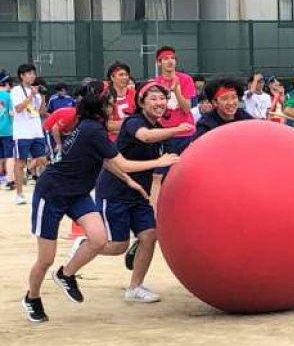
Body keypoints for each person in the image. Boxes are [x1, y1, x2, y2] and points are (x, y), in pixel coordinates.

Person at [21, 81, 179, 323]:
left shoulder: (92, 127)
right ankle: (32, 298)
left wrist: (129, 181)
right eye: (110, 103)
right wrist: (159, 162)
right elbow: (122, 162)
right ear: (101, 107)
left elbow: (107, 162)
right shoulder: (92, 130)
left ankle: (66, 274)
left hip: (78, 194)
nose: (114, 107)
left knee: (99, 239)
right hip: (52, 193)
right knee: (46, 259)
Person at [93, 82, 193, 303]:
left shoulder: (161, 130)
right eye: (154, 99)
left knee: (149, 236)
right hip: (116, 191)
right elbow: (146, 136)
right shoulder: (133, 122)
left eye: (162, 99)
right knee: (118, 246)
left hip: (140, 194)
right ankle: (86, 245)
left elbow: (174, 158)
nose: (159, 103)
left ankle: (135, 288)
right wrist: (177, 129)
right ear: (141, 102)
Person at [10, 64, 48, 205]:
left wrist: (42, 97)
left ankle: (44, 189)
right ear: (22, 76)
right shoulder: (16, 90)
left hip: (36, 131)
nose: (32, 76)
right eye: (29, 74)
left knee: (43, 160)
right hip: (22, 133)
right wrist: (31, 95)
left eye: (33, 74)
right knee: (20, 163)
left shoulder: (36, 91)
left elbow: (41, 112)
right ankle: (19, 194)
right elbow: (19, 109)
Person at [105, 61, 136, 142]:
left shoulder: (134, 94)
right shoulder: (106, 96)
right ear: (112, 77)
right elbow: (108, 125)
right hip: (112, 140)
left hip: (133, 138)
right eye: (121, 75)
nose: (125, 77)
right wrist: (131, 124)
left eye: (126, 75)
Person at [0, 71, 15, 190]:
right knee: (9, 155)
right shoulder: (8, 96)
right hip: (6, 130)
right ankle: (10, 180)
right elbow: (11, 113)